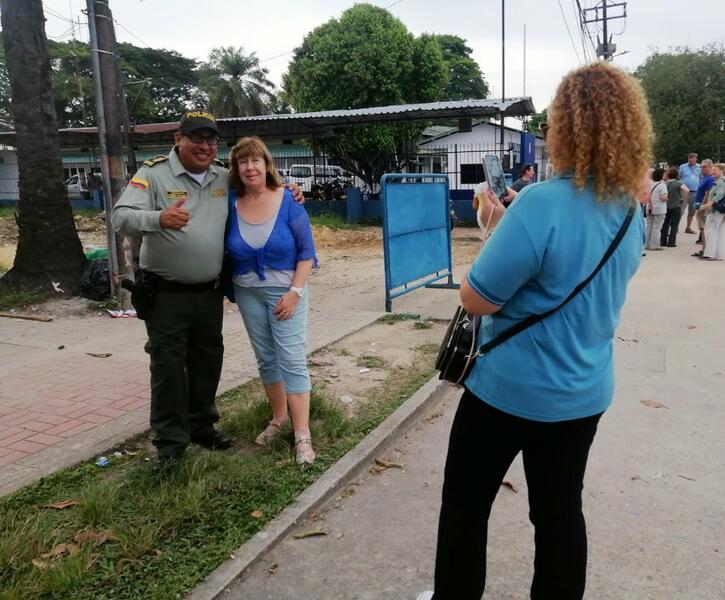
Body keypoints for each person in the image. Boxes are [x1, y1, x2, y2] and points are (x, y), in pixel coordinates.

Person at [418, 62, 648, 600]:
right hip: (583, 394)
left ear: (567, 126)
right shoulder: (627, 212)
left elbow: (476, 297)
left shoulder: (541, 202)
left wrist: (491, 232)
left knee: (465, 508)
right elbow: (573, 280)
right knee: (560, 515)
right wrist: (505, 229)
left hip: (507, 391)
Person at [112, 111, 303, 471]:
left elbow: (259, 188)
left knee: (206, 362)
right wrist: (156, 219)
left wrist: (289, 190)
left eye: (210, 139)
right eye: (196, 138)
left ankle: (202, 426)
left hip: (209, 293)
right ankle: (170, 443)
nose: (204, 146)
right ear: (177, 139)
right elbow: (120, 216)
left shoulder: (221, 176)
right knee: (168, 367)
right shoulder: (153, 174)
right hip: (166, 294)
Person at [224, 136, 318, 464]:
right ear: (236, 168)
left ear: (267, 164)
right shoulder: (230, 203)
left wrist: (295, 292)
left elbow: (307, 253)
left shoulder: (288, 200)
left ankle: (302, 434)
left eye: (256, 160)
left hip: (286, 293)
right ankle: (279, 420)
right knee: (266, 358)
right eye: (242, 162)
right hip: (247, 292)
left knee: (291, 359)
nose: (250, 167)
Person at [700, 163, 725, 261]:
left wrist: (710, 203)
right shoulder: (721, 181)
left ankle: (710, 254)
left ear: (721, 170)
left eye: (715, 170)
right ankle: (719, 254)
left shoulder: (720, 182)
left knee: (711, 230)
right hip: (721, 210)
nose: (713, 172)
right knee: (720, 232)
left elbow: (720, 193)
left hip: (716, 210)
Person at [660, 167, 689, 247]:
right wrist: (682, 199)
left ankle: (663, 241)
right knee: (674, 225)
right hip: (676, 206)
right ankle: (671, 242)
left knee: (665, 224)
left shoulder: (664, 183)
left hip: (666, 206)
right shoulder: (679, 183)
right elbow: (687, 190)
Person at [693, 159, 716, 251]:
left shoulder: (710, 179)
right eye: (701, 167)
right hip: (699, 205)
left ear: (711, 167)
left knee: (704, 229)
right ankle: (704, 249)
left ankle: (706, 250)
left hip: (703, 207)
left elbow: (708, 194)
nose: (702, 169)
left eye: (704, 167)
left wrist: (701, 207)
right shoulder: (703, 178)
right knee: (702, 229)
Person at [645, 167, 668, 251]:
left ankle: (647, 244)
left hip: (649, 207)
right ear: (662, 175)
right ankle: (654, 244)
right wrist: (667, 198)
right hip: (659, 208)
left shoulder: (651, 184)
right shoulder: (662, 185)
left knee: (649, 226)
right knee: (657, 227)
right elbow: (663, 198)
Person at [679, 153, 701, 234]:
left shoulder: (700, 167)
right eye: (689, 158)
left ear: (696, 159)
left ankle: (688, 228)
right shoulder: (682, 166)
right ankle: (676, 227)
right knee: (681, 209)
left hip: (695, 192)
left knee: (692, 211)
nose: (691, 160)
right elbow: (679, 177)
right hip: (684, 192)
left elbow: (701, 178)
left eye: (692, 158)